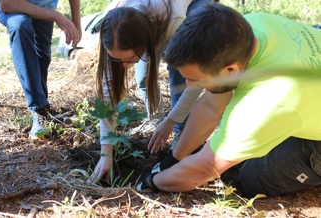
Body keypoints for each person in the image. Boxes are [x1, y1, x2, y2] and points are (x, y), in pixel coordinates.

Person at [137, 3, 321, 197]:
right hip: (304, 98)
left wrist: (152, 182)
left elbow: (205, 169)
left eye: (196, 79)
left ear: (230, 70)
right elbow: (210, 106)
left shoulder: (267, 102)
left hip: (299, 113)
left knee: (254, 177)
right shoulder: (251, 26)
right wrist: (172, 161)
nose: (190, 85)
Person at [91, 0, 215, 183]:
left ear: (145, 43)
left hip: (191, 4)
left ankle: (181, 132)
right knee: (143, 78)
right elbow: (108, 92)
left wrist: (171, 120)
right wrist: (106, 153)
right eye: (119, 60)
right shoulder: (112, 26)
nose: (125, 66)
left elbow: (196, 80)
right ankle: (155, 119)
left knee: (179, 69)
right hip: (151, 20)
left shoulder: (174, 21)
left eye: (130, 58)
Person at [0, 0, 82, 139]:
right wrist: (56, 16)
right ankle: (38, 110)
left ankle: (44, 111)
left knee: (42, 57)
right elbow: (6, 4)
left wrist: (76, 22)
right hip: (13, 4)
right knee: (20, 25)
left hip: (44, 4)